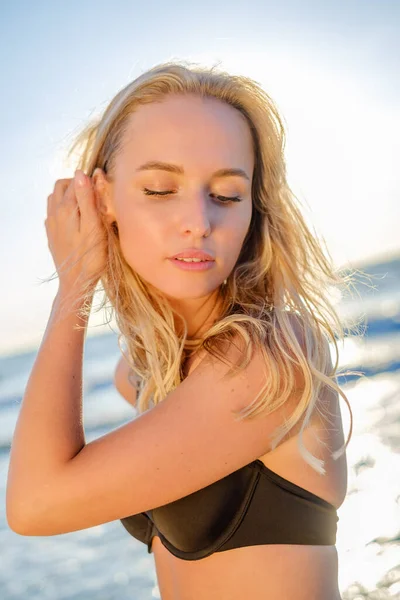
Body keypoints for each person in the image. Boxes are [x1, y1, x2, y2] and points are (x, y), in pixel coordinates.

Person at [6, 61, 360, 599]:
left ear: (252, 209)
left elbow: (36, 504)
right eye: (159, 188)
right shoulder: (143, 371)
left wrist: (75, 283)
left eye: (226, 194)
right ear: (102, 199)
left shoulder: (270, 356)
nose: (198, 219)